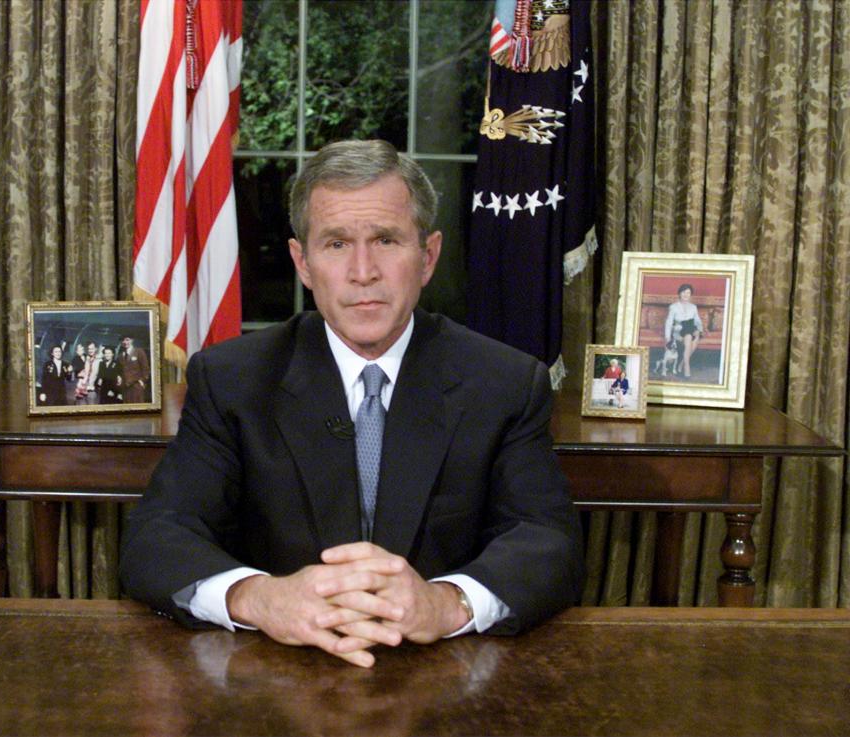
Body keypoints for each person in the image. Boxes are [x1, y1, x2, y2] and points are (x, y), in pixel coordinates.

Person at [120, 139, 584, 669]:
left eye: (386, 240)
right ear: (303, 263)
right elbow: (157, 536)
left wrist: (446, 604)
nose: (363, 271)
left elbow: (549, 541)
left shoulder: (503, 382)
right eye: (337, 244)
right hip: (277, 673)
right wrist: (260, 598)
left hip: (444, 672)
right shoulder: (232, 379)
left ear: (427, 256)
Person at [664, 284, 705, 378]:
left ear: (691, 295)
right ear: (679, 293)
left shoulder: (693, 307)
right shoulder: (673, 307)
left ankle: (683, 363)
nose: (686, 295)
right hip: (679, 330)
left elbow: (697, 321)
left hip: (690, 328)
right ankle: (686, 365)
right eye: (684, 292)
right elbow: (669, 322)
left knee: (695, 335)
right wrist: (667, 337)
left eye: (688, 293)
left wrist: (699, 329)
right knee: (689, 336)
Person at [118, 335, 149, 403]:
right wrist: (119, 378)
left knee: (138, 409)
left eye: (127, 340)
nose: (125, 342)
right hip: (125, 387)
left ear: (132, 340)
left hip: (136, 386)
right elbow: (120, 370)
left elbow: (145, 368)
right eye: (123, 340)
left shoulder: (139, 351)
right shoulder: (121, 355)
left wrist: (142, 381)